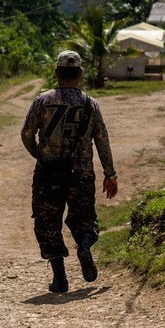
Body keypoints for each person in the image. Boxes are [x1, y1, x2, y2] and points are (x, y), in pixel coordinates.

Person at [21, 50, 118, 293]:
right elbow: (102, 140)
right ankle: (84, 246)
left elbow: (26, 134)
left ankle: (60, 279)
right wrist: (110, 173)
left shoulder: (42, 101)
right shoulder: (90, 104)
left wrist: (40, 155)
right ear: (81, 74)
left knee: (48, 223)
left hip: (49, 173)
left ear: (56, 73)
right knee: (84, 219)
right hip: (82, 174)